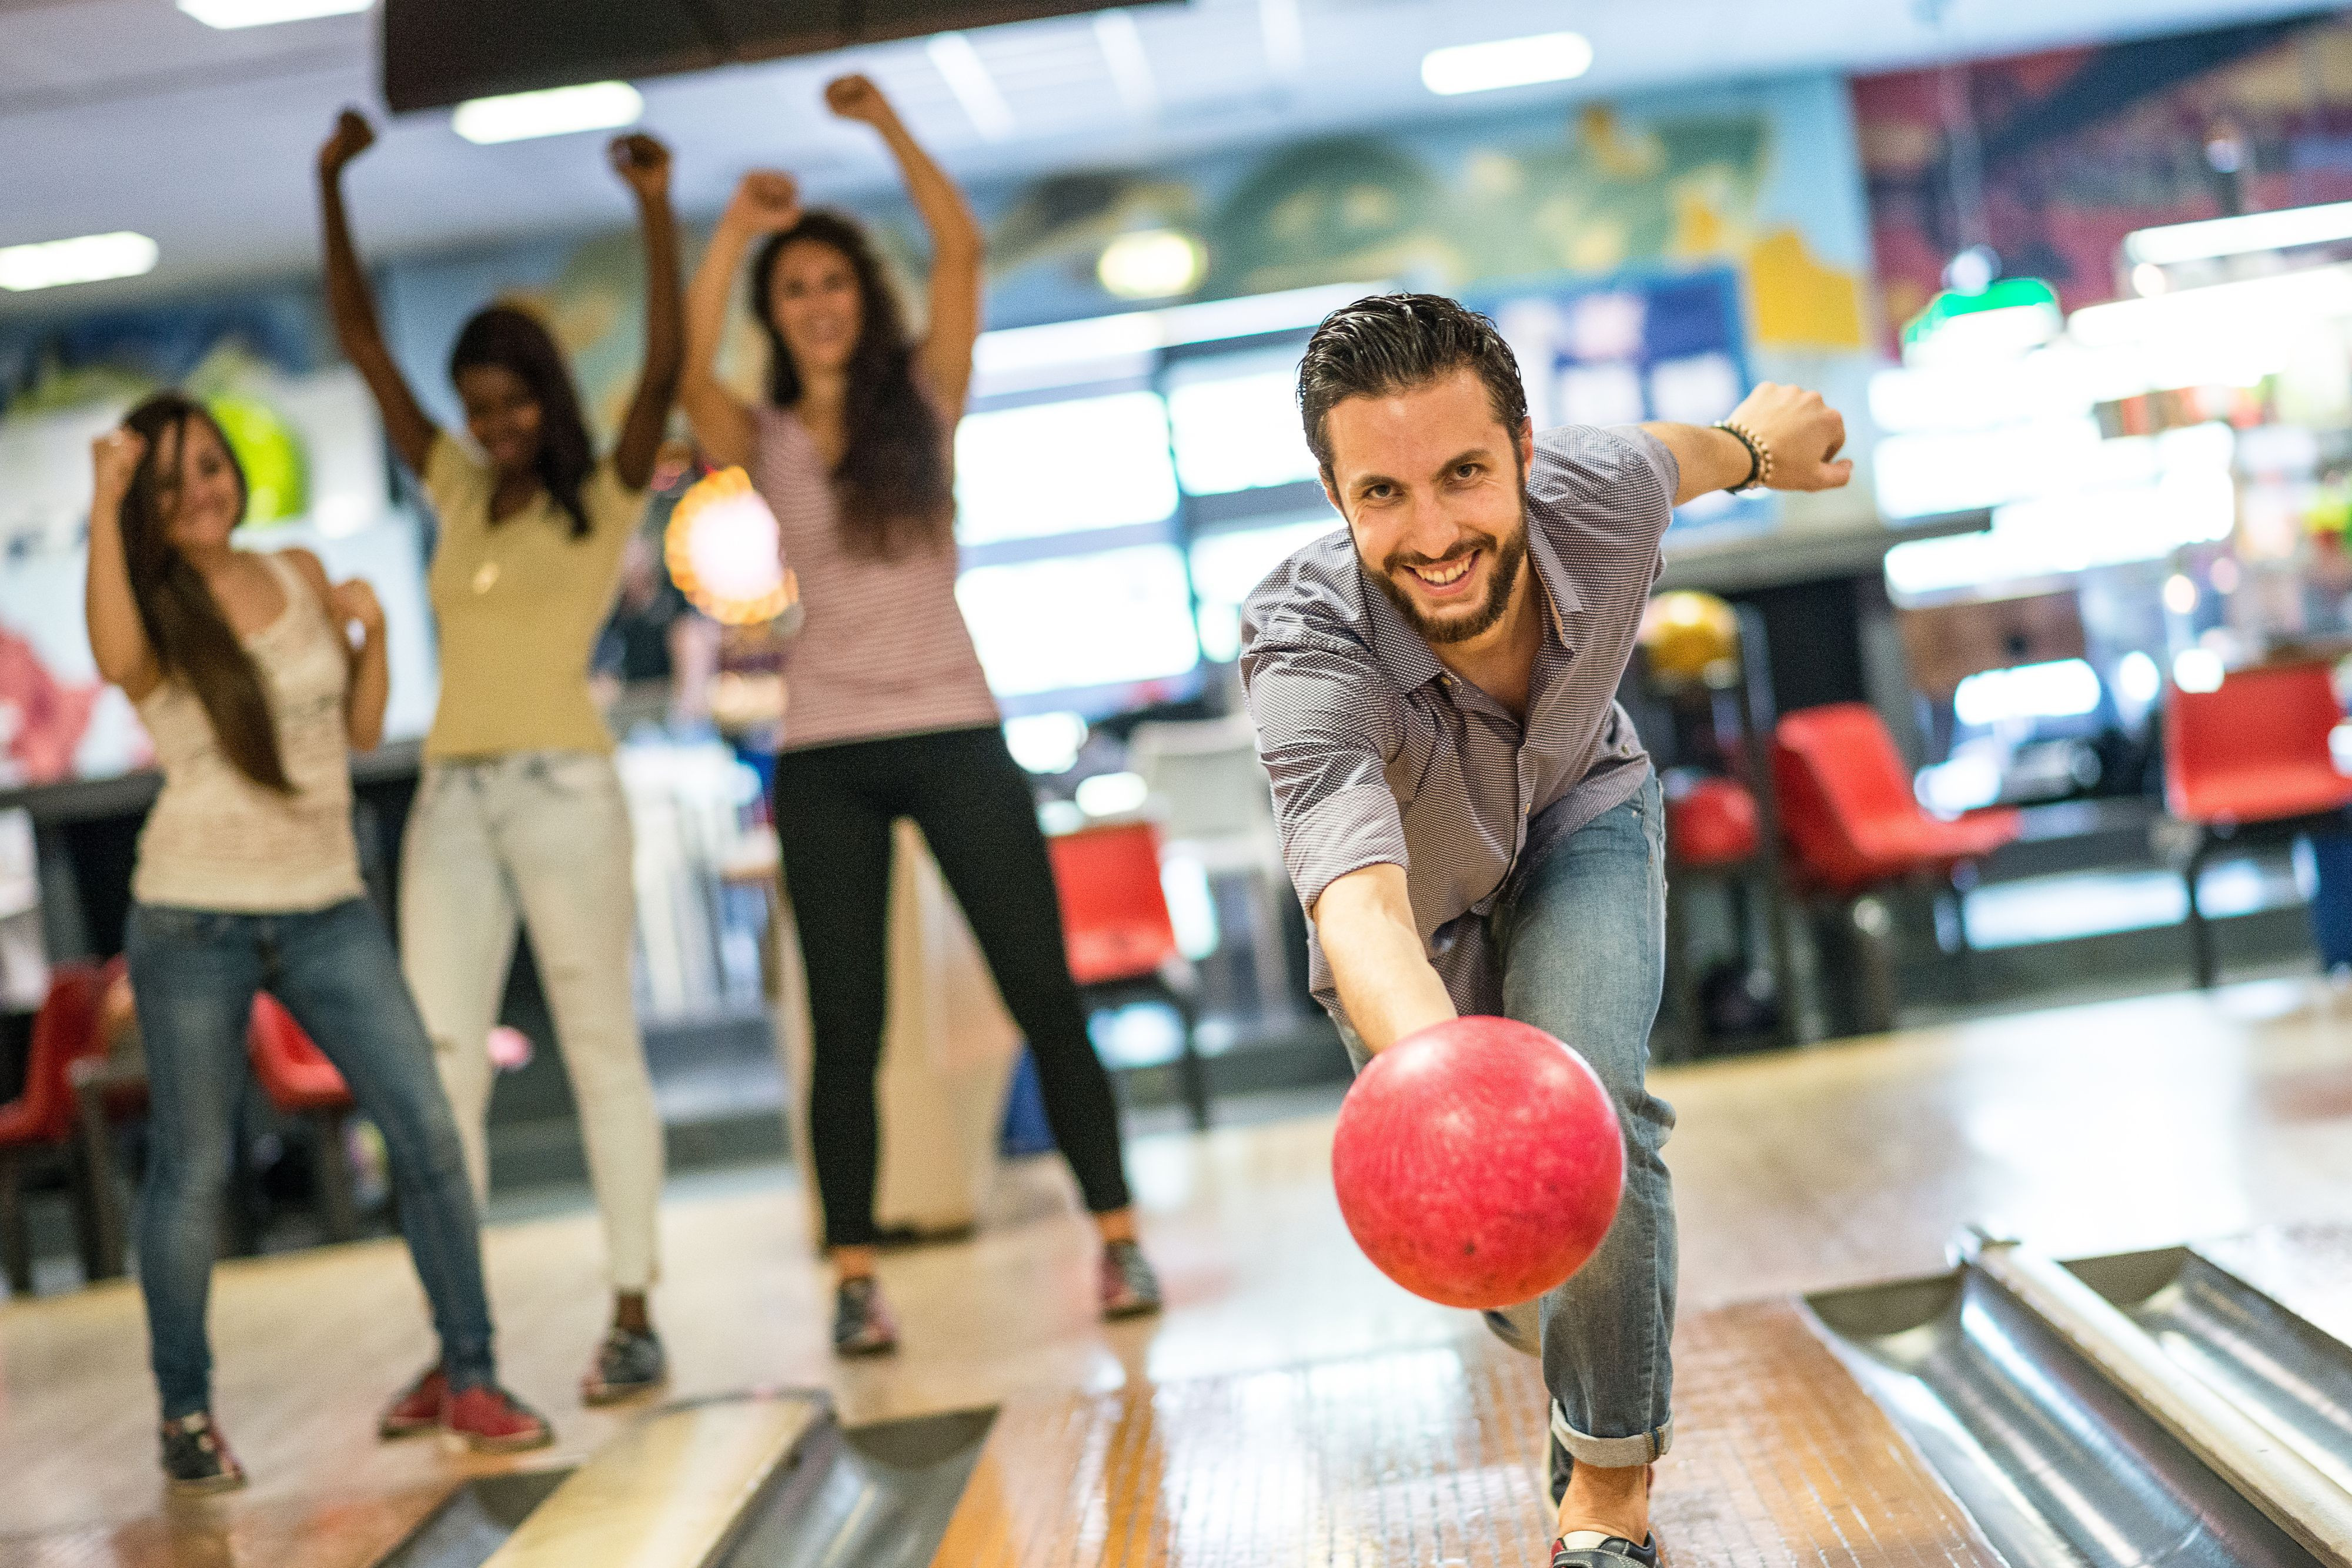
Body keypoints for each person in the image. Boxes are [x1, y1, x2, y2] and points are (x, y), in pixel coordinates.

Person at [1238, 294, 1850, 1568]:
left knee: (1594, 1109)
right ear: (1334, 494)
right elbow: (1356, 896)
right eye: (1382, 493)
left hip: (1583, 812)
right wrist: (1455, 1094)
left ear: (1521, 449)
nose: (1433, 531)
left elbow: (1690, 452)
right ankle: (1546, 1306)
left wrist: (1758, 438)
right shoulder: (1303, 638)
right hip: (1415, 920)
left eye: (1462, 472)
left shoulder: (1597, 490)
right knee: (1522, 1258)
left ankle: (1605, 1505)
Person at [680, 73, 1160, 1355]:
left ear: (862, 297)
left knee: (1041, 993)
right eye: (794, 293)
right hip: (826, 749)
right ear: (776, 316)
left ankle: (1116, 1236)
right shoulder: (765, 434)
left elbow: (958, 246)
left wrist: (886, 128)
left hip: (954, 729)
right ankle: (853, 1275)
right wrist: (732, 230)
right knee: (848, 1028)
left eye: (833, 284)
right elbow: (684, 366)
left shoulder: (925, 396)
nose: (818, 306)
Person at [85, 395, 552, 1495]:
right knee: (193, 1170)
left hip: (327, 904)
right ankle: (185, 1415)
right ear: (145, 508)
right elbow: (111, 657)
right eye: (168, 483)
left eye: (208, 466)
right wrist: (104, 497)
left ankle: (468, 1373)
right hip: (191, 912)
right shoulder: (148, 604)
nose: (198, 490)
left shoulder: (296, 570)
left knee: (428, 1130)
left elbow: (352, 730)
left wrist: (376, 635)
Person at [317, 109, 683, 1406]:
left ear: (545, 395)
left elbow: (659, 374)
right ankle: (457, 1342)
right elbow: (363, 345)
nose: (493, 425)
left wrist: (654, 206)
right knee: (436, 1066)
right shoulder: (459, 488)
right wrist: (329, 186)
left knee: (598, 1046)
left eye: (512, 400)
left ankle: (633, 1309)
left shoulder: (604, 491)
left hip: (564, 790)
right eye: (476, 409)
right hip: (453, 796)